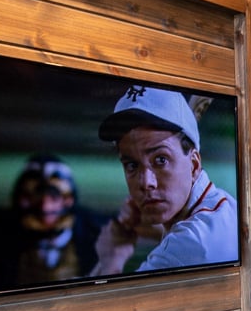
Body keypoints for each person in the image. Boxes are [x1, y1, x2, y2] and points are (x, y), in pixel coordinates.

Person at [91, 85, 238, 275]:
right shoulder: (222, 208)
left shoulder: (186, 247)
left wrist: (111, 258)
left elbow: (114, 304)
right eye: (132, 165)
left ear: (193, 165)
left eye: (161, 160)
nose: (146, 183)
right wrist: (159, 228)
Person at [0, 153, 104, 288]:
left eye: (53, 197)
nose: (45, 206)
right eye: (36, 197)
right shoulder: (4, 231)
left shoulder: (89, 230)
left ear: (67, 200)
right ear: (24, 199)